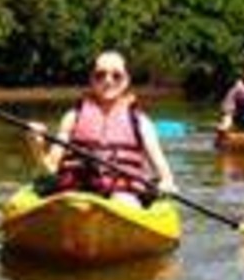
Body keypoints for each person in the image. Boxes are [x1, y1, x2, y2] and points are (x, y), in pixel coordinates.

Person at [28, 51, 176, 206]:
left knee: (123, 201)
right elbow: (49, 170)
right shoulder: (72, 118)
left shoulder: (141, 122)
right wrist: (36, 147)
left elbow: (165, 176)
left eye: (116, 76)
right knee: (75, 202)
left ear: (127, 80)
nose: (108, 81)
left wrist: (166, 184)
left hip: (123, 195)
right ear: (91, 79)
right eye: (100, 75)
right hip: (77, 193)